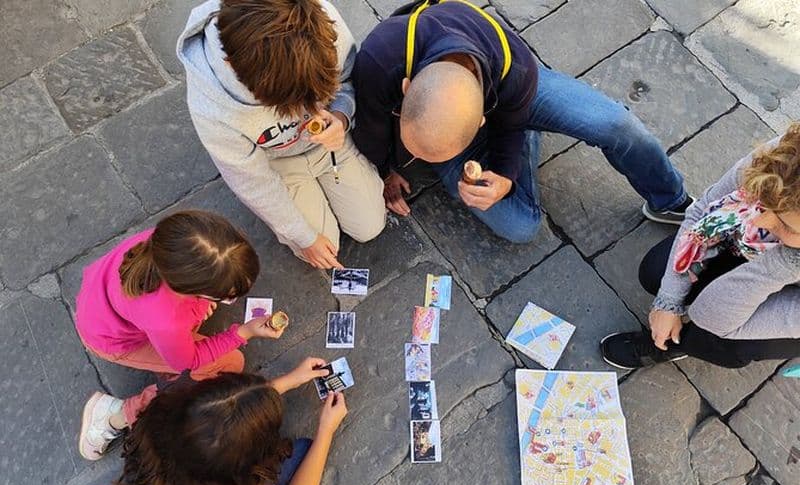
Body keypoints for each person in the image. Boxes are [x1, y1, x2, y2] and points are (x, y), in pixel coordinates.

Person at [351, 0, 692, 244]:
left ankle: (671, 201)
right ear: (406, 88)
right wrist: (385, 170)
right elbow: (372, 130)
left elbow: (508, 123)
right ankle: (525, 136)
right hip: (472, 111)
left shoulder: (517, 69)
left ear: (483, 120)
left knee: (617, 124)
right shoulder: (378, 60)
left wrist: (504, 176)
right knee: (521, 227)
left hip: (514, 95)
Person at [178, 0, 386, 270]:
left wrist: (341, 116)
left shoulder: (321, 26)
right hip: (276, 164)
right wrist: (303, 237)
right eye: (287, 103)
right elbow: (252, 182)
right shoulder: (212, 107)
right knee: (322, 244)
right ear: (232, 66)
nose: (306, 110)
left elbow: (347, 78)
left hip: (330, 145)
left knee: (369, 226)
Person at [76, 210, 281, 461]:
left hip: (101, 304)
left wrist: (202, 304)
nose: (232, 300)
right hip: (113, 341)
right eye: (227, 295)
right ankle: (114, 414)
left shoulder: (175, 244)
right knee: (230, 364)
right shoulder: (166, 320)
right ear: (190, 288)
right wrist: (243, 332)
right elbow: (188, 361)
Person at [601, 124, 800, 369]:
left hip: (787, 283)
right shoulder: (789, 159)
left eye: (787, 225)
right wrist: (669, 302)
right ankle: (674, 326)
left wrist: (789, 261)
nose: (759, 219)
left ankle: (674, 344)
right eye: (764, 202)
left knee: (725, 342)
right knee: (656, 272)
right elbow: (703, 208)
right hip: (748, 247)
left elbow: (711, 315)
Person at [94, 362, 347, 485]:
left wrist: (284, 384)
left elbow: (219, 415)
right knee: (303, 450)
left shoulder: (157, 424)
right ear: (239, 469)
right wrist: (326, 430)